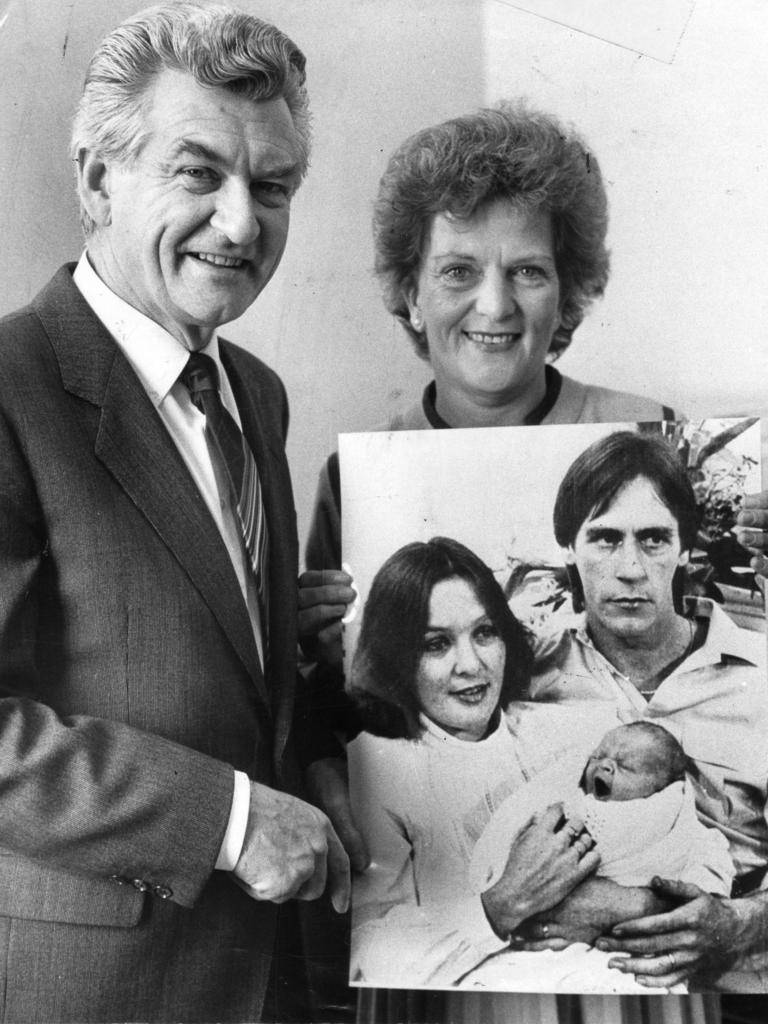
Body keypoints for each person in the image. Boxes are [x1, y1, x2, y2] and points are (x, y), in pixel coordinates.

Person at [298, 102, 767, 1021]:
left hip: (639, 989)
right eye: (459, 271)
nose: (496, 305)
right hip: (446, 965)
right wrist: (314, 670)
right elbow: (326, 716)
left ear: (571, 292)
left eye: (530, 272)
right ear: (410, 291)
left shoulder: (644, 428)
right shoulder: (352, 478)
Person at [0, 4, 349, 1022]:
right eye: (200, 172)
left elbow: (181, 648)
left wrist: (284, 649)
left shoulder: (257, 391)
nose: (243, 223)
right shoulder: (10, 386)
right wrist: (235, 822)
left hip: (264, 982)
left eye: (273, 186)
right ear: (98, 180)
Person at [524, 430, 768, 991]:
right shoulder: (526, 674)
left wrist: (742, 924)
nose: (630, 568)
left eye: (654, 539)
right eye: (605, 539)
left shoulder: (759, 675)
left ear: (686, 548)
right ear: (569, 547)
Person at [345, 536, 604, 988]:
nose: (471, 664)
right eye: (436, 644)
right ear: (396, 658)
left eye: (485, 633)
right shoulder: (376, 771)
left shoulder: (563, 730)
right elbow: (373, 955)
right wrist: (501, 904)